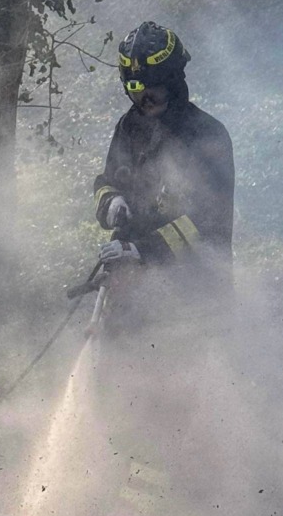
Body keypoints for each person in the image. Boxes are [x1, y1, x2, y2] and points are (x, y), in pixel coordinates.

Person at [92, 21, 234, 331]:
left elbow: (208, 222)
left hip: (194, 298)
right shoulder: (129, 127)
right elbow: (106, 181)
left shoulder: (207, 135)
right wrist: (111, 201)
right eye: (134, 89)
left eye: (152, 90)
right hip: (133, 295)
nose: (144, 99)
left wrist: (141, 250)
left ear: (173, 83)